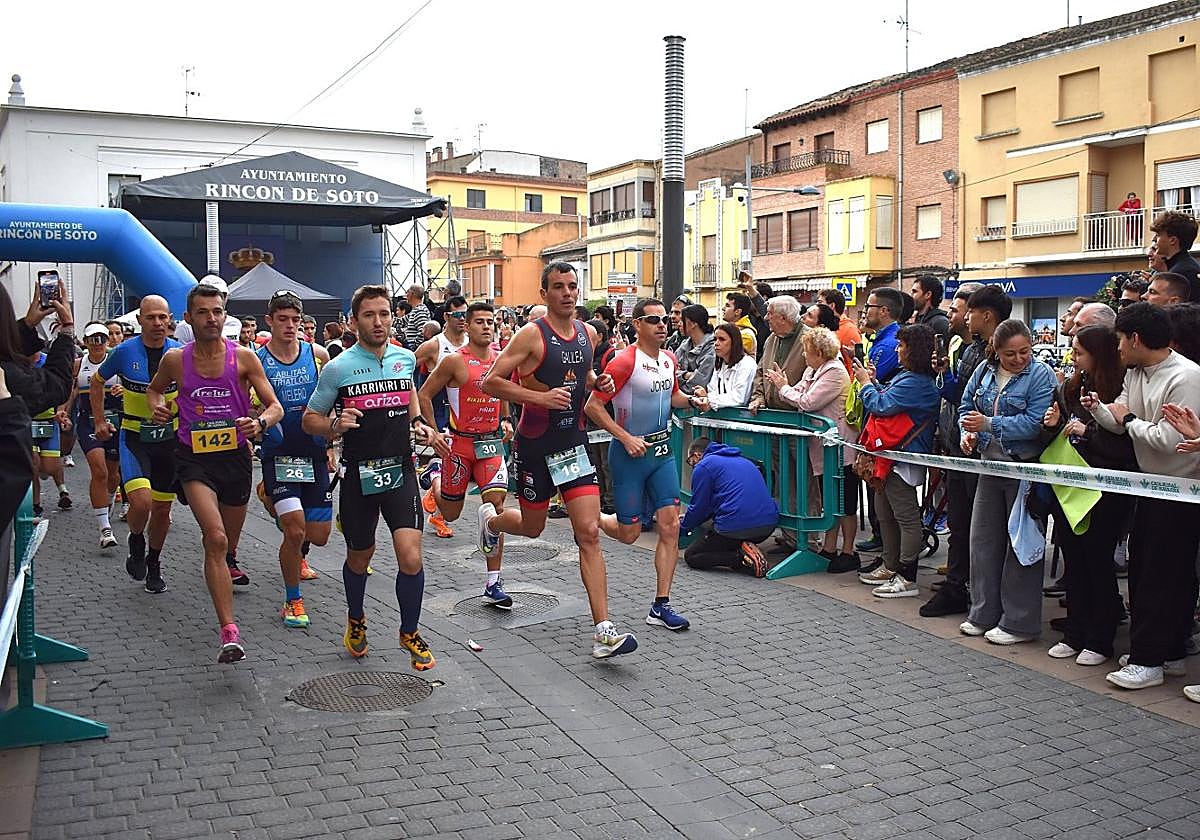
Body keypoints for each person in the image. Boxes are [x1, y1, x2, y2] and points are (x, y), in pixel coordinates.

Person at [478, 262, 637, 660]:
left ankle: (604, 630)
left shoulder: (588, 333)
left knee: (589, 532)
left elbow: (582, 376)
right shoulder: (531, 335)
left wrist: (597, 381)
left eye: (572, 286)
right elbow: (490, 382)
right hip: (535, 446)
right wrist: (540, 398)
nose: (567, 293)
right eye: (559, 287)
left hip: (573, 445)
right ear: (544, 293)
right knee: (532, 528)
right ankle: (492, 522)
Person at [303, 284, 437, 671]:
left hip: (401, 470)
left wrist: (418, 422)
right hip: (358, 476)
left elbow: (409, 393)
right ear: (353, 321)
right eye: (369, 315)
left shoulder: (404, 358)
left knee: (411, 556)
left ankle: (409, 631)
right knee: (360, 556)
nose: (378, 322)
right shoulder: (338, 367)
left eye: (384, 314)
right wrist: (334, 425)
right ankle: (356, 617)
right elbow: (309, 419)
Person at [146, 284, 282, 662]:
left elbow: (274, 406)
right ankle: (229, 631)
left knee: (228, 546)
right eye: (203, 312)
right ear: (188, 318)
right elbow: (155, 391)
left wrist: (260, 423)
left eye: (217, 311)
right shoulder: (176, 360)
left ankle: (225, 567)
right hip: (194, 459)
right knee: (216, 539)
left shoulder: (244, 358)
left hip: (235, 459)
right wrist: (158, 406)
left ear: (225, 315)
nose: (211, 319)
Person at [1083, 303, 1200, 689]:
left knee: (1161, 575)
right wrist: (1100, 411)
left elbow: (1168, 439)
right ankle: (1166, 652)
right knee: (1148, 571)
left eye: (1120, 339)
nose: (1117, 348)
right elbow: (1120, 421)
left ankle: (1149, 660)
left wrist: (1130, 420)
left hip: (1180, 491)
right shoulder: (1136, 372)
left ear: (1135, 339)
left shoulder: (1185, 376)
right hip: (1148, 485)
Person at [585, 298, 695, 632]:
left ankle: (662, 604)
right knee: (630, 534)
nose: (662, 325)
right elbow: (593, 407)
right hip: (629, 456)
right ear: (637, 325)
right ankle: (597, 519)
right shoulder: (624, 362)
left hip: (662, 453)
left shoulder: (669, 359)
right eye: (653, 320)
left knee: (670, 526)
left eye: (665, 320)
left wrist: (693, 400)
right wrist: (625, 437)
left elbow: (673, 397)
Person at [1038, 324, 1135, 666]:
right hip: (1070, 487)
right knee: (1074, 561)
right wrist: (1052, 425)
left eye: (1079, 352)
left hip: (1106, 491)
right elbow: (1053, 433)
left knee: (1098, 562)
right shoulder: (1071, 387)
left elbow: (1125, 445)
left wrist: (1088, 432)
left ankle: (1100, 639)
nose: (1073, 358)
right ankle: (1075, 632)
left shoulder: (1122, 387)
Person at [958, 319, 1056, 644]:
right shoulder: (984, 372)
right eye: (1010, 354)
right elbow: (965, 407)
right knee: (982, 541)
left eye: (1024, 351)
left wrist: (988, 424)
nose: (1018, 359)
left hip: (1022, 467)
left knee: (1021, 544)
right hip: (989, 465)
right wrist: (967, 433)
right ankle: (982, 613)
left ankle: (1019, 622)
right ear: (996, 351)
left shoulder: (1040, 375)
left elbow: (1034, 424)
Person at [416, 302, 515, 608]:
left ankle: (493, 582)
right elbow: (424, 395)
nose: (486, 326)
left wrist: (506, 419)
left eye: (490, 322)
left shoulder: (500, 358)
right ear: (468, 327)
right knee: (450, 514)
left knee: (496, 505)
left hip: (490, 445)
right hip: (459, 446)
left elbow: (502, 390)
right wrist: (435, 434)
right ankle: (434, 477)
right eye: (480, 322)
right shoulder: (454, 361)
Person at [920, 283, 1001, 618]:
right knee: (958, 521)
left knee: (982, 528)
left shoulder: (998, 353)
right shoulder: (970, 351)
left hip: (985, 454)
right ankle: (957, 585)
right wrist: (944, 375)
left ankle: (982, 591)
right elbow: (962, 397)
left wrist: (977, 428)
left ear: (985, 315)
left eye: (966, 311)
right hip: (958, 446)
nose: (962, 317)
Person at [93, 295, 182, 595]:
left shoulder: (179, 353)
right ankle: (135, 539)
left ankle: (154, 563)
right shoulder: (123, 352)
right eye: (151, 317)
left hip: (168, 440)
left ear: (169, 319)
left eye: (162, 317)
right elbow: (97, 381)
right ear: (140, 320)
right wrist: (99, 421)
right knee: (142, 502)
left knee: (162, 509)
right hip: (134, 436)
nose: (157, 323)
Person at [256, 292, 334, 630]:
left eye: (295, 320)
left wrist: (330, 445)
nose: (290, 326)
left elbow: (329, 402)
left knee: (318, 535)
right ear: (269, 321)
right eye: (283, 319)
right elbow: (248, 402)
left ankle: (268, 496)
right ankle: (293, 599)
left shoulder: (317, 355)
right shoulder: (257, 359)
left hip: (313, 451)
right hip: (278, 453)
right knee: (295, 528)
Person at [854, 324, 942, 598]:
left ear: (914, 350)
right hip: (891, 457)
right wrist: (873, 384)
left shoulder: (917, 382)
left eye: (902, 346)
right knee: (885, 513)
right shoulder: (909, 377)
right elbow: (888, 399)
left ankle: (907, 575)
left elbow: (882, 405)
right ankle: (890, 565)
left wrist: (866, 384)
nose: (897, 350)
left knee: (905, 517)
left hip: (902, 459)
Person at [765, 327, 859, 573]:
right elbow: (797, 393)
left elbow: (806, 401)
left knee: (846, 502)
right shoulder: (813, 370)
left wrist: (783, 387)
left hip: (841, 449)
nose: (804, 356)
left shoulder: (835, 372)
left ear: (819, 352)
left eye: (807, 351)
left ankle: (848, 551)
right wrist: (787, 388)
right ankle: (829, 548)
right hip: (823, 449)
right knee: (831, 500)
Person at [680, 436, 779, 576]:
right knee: (720, 530)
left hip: (735, 528)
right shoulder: (744, 460)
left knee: (692, 555)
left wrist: (682, 528)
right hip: (767, 527)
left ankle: (741, 558)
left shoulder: (704, 466)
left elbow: (699, 508)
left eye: (690, 461)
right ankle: (745, 548)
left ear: (697, 455)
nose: (692, 465)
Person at [413, 295, 469, 538]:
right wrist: (423, 419)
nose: (463, 319)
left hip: (467, 411)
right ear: (446, 316)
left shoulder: (472, 341)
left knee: (459, 467)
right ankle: (439, 514)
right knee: (451, 462)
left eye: (466, 314)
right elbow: (404, 369)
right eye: (458, 315)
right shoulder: (434, 345)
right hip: (440, 409)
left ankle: (433, 483)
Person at [855, 286, 905, 555]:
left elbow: (871, 382)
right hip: (875, 422)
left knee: (883, 489)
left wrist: (864, 379)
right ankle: (884, 542)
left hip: (884, 426)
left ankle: (889, 547)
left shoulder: (889, 344)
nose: (864, 313)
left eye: (869, 307)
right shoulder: (879, 339)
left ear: (884, 311)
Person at [75, 323, 122, 548]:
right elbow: (72, 390)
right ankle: (104, 529)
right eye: (93, 339)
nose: (97, 343)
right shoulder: (79, 364)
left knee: (113, 474)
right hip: (89, 421)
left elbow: (134, 384)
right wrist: (62, 411)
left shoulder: (117, 360)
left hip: (115, 419)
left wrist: (124, 390)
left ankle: (109, 500)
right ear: (85, 342)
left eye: (101, 339)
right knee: (99, 470)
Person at [28, 346, 71, 515]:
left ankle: (61, 487)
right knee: (33, 464)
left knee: (50, 467)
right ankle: (35, 504)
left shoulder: (48, 361)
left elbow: (64, 387)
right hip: (27, 421)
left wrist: (60, 410)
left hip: (49, 421)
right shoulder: (17, 362)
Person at [748, 296, 809, 414]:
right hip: (770, 414)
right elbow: (760, 372)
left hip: (798, 417)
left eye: (770, 313)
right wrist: (758, 397)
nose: (765, 317)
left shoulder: (809, 340)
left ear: (783, 318)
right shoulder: (771, 339)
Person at [171, 275, 241, 342]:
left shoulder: (235, 323)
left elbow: (234, 347)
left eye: (223, 295)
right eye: (202, 312)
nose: (217, 298)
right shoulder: (184, 327)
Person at [702, 323, 757, 409]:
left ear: (734, 342)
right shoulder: (720, 364)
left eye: (722, 339)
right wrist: (705, 397)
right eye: (715, 339)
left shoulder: (747, 364)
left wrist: (708, 399)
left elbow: (739, 398)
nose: (716, 343)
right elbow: (712, 389)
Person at [1149, 210, 1200, 299]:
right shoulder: (1185, 266)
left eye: (1158, 235)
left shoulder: (1182, 272)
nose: (1154, 239)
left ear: (1172, 240)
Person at [676, 303, 715, 396]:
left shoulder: (712, 348)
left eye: (682, 320)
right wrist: (686, 375)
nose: (679, 324)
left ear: (693, 324)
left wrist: (677, 383)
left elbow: (699, 384)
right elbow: (668, 373)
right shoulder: (684, 345)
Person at [817, 288, 863, 352]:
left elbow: (857, 356)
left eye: (820, 302)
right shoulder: (823, 326)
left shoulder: (849, 330)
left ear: (832, 305)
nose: (816, 306)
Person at [910, 275, 950, 340]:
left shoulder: (940, 323)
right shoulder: (916, 320)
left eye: (914, 291)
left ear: (928, 294)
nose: (911, 295)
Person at [402, 285, 431, 350]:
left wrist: (414, 347)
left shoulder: (420, 311)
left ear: (412, 294)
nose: (406, 295)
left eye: (407, 292)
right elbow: (401, 321)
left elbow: (423, 332)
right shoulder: (416, 310)